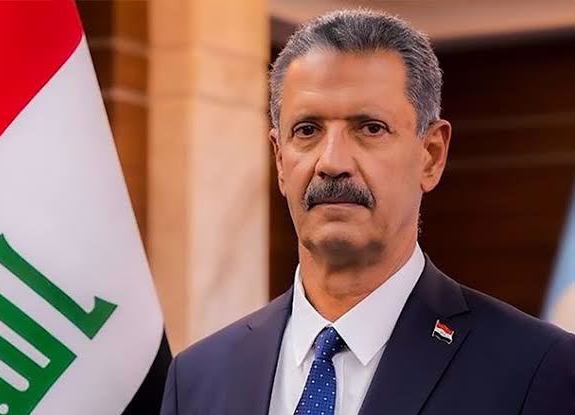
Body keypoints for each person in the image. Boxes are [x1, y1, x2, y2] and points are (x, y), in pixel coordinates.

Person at [159, 8, 575, 415]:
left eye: (370, 128)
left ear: (431, 156)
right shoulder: (196, 379)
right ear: (280, 160)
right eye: (307, 130)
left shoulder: (536, 370)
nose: (332, 162)